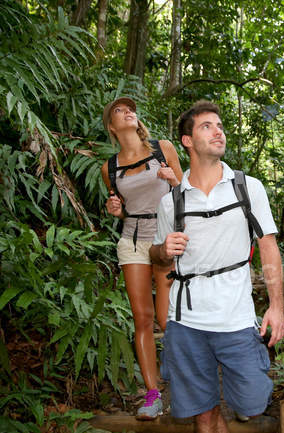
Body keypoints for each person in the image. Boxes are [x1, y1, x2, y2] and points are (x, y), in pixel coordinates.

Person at [149, 100, 284, 432]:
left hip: (236, 318)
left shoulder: (247, 187)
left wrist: (277, 306)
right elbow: (156, 256)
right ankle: (209, 409)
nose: (218, 131)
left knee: (252, 403)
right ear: (187, 141)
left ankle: (222, 406)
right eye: (206, 126)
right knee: (204, 415)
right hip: (187, 322)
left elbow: (267, 245)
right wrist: (164, 251)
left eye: (220, 125)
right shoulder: (172, 201)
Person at [100, 96, 183, 420]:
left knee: (168, 319)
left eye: (130, 108)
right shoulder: (109, 168)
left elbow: (185, 193)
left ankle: (185, 385)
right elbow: (122, 208)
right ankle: (153, 395)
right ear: (112, 126)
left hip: (163, 240)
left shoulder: (163, 149)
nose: (128, 112)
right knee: (143, 319)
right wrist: (117, 211)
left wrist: (172, 179)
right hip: (132, 242)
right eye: (119, 111)